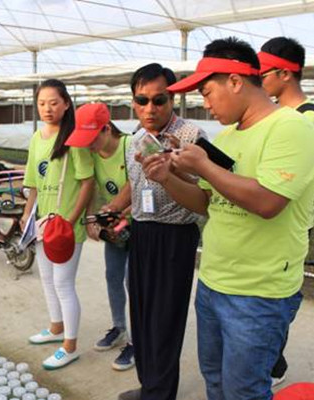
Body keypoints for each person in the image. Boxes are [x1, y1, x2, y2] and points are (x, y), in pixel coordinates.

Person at [139, 37, 314, 400]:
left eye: (208, 93)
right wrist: (168, 178)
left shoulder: (291, 127)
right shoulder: (227, 136)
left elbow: (268, 202)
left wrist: (204, 165)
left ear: (235, 81)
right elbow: (208, 203)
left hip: (258, 294)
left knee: (244, 391)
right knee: (216, 380)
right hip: (213, 284)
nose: (206, 104)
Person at [106, 63, 206, 400]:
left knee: (165, 318)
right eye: (142, 100)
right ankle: (148, 384)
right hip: (142, 233)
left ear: (172, 99)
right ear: (133, 102)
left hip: (175, 235)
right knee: (143, 313)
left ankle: (160, 394)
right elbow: (134, 185)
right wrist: (113, 209)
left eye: (159, 100)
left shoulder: (191, 136)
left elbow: (204, 194)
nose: (150, 108)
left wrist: (174, 167)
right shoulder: (134, 139)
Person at [258, 36, 314, 387]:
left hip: (292, 222)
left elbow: (293, 182)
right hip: (272, 218)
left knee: (279, 295)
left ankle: (273, 366)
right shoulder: (278, 116)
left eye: (262, 74)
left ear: (285, 73)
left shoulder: (307, 119)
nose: (258, 81)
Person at [21, 79, 95, 370]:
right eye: (42, 103)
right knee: (47, 278)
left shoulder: (73, 139)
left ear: (66, 104)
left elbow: (87, 182)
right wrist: (27, 213)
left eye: (54, 102)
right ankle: (55, 327)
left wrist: (72, 221)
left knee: (63, 283)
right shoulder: (36, 138)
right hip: (43, 223)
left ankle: (70, 346)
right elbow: (34, 183)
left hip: (66, 227)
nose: (47, 108)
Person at [64, 102, 135, 371]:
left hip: (137, 223)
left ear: (106, 129)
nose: (88, 145)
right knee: (113, 276)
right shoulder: (91, 154)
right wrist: (93, 217)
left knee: (133, 282)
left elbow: (139, 184)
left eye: (92, 138)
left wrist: (120, 210)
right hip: (113, 226)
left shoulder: (129, 146)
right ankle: (119, 328)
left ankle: (138, 341)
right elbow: (91, 187)